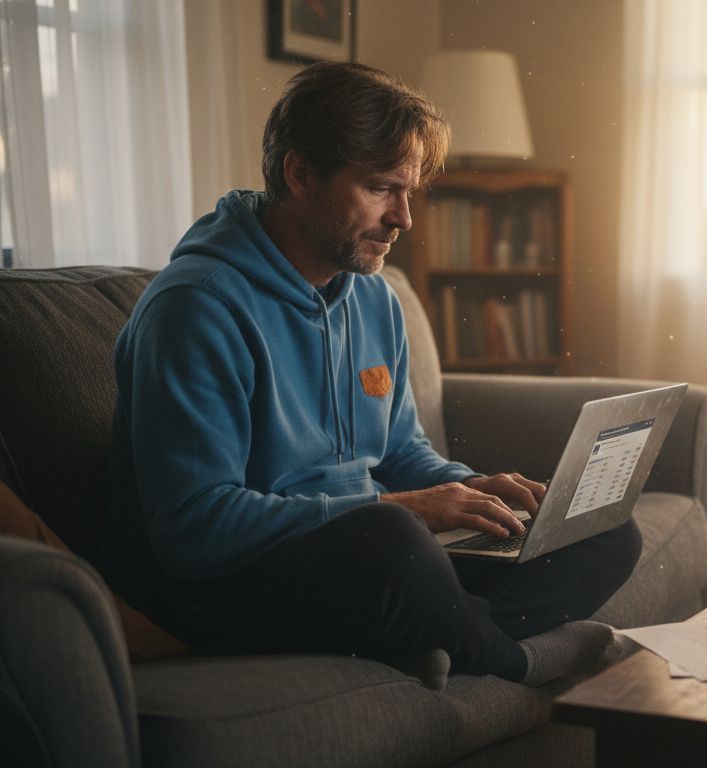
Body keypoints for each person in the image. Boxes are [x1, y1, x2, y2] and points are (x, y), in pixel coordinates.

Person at [100, 61, 640, 688]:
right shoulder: (196, 308)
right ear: (300, 174)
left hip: (371, 562)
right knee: (392, 541)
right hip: (225, 584)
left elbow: (401, 451)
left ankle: (437, 633)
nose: (405, 218)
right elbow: (196, 526)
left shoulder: (372, 296)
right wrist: (406, 510)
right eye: (383, 189)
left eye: (410, 192)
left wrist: (475, 493)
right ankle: (509, 660)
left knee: (603, 529)